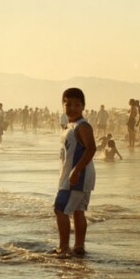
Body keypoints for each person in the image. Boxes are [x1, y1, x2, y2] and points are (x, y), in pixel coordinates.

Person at [54, 88, 96, 258]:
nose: (72, 108)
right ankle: (79, 246)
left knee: (60, 209)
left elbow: (91, 148)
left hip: (78, 176)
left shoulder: (82, 126)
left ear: (83, 106)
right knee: (78, 210)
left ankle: (63, 247)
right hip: (73, 175)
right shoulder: (68, 126)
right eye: (68, 104)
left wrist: (76, 170)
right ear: (63, 105)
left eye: (76, 105)